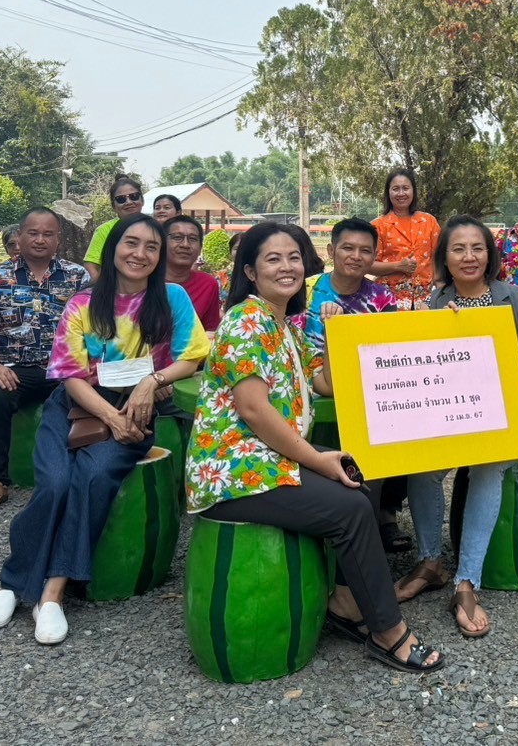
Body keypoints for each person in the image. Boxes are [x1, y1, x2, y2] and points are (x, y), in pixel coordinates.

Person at [185, 223, 445, 673]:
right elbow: (253, 410)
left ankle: (346, 601)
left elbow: (324, 383)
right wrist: (318, 461)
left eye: (293, 257)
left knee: (363, 473)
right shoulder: (247, 320)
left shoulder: (287, 324)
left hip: (268, 459)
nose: (286, 267)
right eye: (273, 259)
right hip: (235, 471)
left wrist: (345, 339)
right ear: (250, 271)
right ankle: (388, 632)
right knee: (350, 508)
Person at [0, 215, 210, 645]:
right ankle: (12, 584)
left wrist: (151, 382)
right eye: (131, 243)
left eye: (151, 247)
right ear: (113, 248)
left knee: (93, 475)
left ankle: (51, 594)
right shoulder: (83, 302)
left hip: (136, 406)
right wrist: (112, 417)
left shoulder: (171, 298)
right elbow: (70, 376)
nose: (140, 254)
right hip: (77, 405)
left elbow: (192, 356)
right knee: (54, 482)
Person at [397, 215, 518, 638]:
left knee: (487, 468)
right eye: (459, 249)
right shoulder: (434, 302)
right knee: (422, 468)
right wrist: (440, 327)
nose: (469, 256)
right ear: (445, 257)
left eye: (477, 248)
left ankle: (466, 583)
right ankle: (430, 561)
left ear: (490, 254)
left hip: (506, 416)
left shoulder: (514, 298)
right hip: (448, 417)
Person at [0, 208, 91, 512]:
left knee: (93, 397)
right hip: (13, 368)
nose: (40, 239)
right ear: (19, 237)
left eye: (48, 234)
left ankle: (81, 475)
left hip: (63, 369)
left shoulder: (77, 276)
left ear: (58, 239)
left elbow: (95, 324)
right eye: (33, 233)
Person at [305, 217, 407, 548]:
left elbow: (388, 351)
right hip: (310, 387)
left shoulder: (382, 298)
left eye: (365, 251)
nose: (356, 256)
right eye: (347, 248)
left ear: (374, 257)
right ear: (331, 250)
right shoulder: (305, 291)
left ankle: (382, 515)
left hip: (366, 390)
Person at [371, 168, 441, 310]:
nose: (401, 193)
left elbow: (439, 259)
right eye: (395, 189)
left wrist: (439, 289)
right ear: (388, 192)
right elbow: (367, 265)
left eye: (405, 188)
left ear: (413, 191)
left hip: (426, 301)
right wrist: (397, 266)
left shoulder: (429, 222)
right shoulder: (378, 226)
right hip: (388, 301)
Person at [164, 214, 221, 333]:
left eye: (193, 239)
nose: (185, 245)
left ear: (200, 248)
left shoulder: (208, 284)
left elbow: (209, 332)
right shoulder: (145, 280)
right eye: (177, 237)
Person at [84, 175, 144, 283]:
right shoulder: (104, 230)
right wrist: (104, 288)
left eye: (134, 196)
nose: (129, 202)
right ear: (113, 206)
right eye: (121, 199)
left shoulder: (153, 228)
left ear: (142, 200)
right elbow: (91, 266)